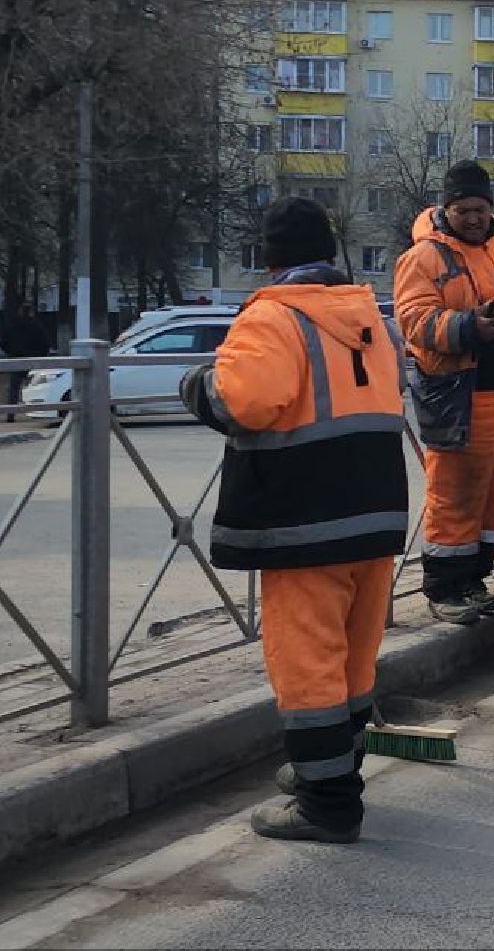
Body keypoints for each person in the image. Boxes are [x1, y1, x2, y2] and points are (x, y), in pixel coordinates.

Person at [179, 197, 410, 844]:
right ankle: (336, 766)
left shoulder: (275, 316)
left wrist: (197, 385)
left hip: (306, 522)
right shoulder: (369, 316)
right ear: (330, 255)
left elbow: (247, 401)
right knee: (354, 658)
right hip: (375, 513)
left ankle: (327, 804)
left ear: (271, 259)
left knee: (307, 664)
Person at [393, 160, 494, 624]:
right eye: (463, 210)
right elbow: (414, 322)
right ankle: (445, 585)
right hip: (462, 395)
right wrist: (469, 325)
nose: (474, 218)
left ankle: (474, 578)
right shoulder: (425, 258)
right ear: (447, 209)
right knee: (456, 491)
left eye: (480, 208)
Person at [0, 304, 51, 420]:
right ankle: (38, 412)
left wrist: (10, 353)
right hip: (33, 361)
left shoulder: (12, 325)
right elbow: (45, 343)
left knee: (14, 388)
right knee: (37, 386)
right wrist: (40, 356)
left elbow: (3, 342)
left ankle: (10, 415)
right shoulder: (36, 326)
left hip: (16, 359)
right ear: (31, 312)